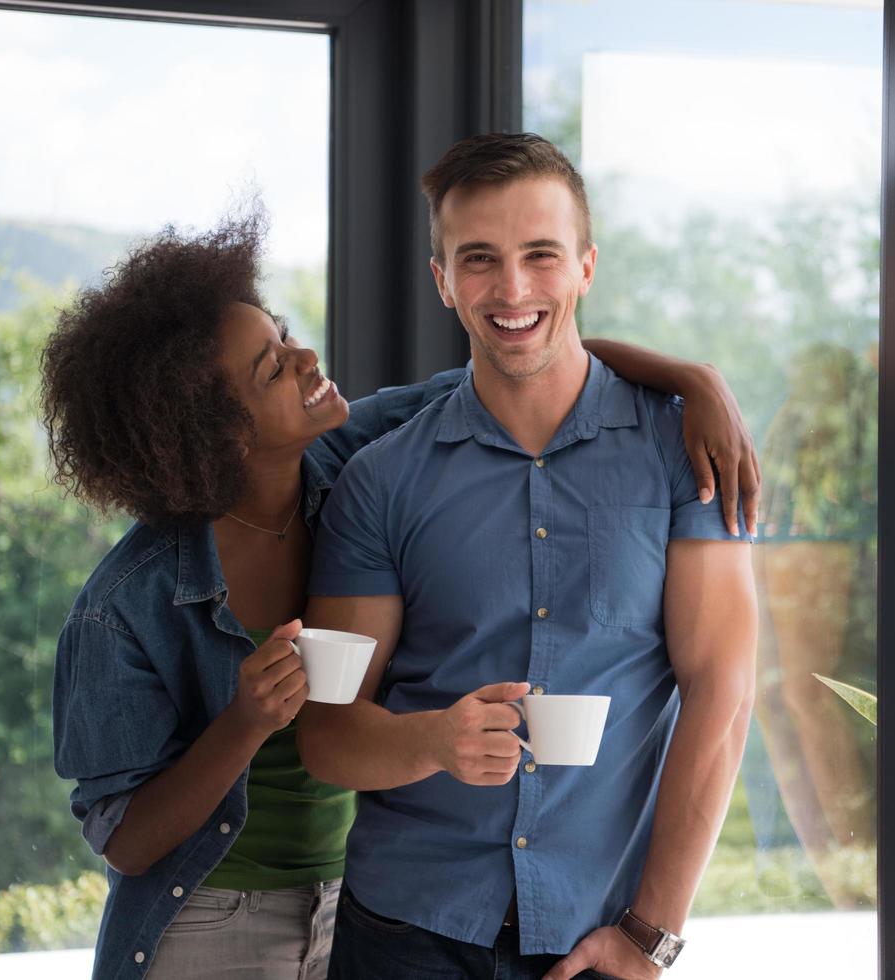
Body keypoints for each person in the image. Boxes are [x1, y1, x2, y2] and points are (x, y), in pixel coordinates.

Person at [41, 206, 760, 980]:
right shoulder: (125, 604)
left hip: (352, 902)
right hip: (215, 915)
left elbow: (524, 352)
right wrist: (244, 725)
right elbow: (127, 838)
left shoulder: (356, 458)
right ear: (212, 432)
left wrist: (695, 381)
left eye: (282, 338)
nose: (307, 356)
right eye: (272, 368)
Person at [298, 133, 759, 980]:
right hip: (406, 934)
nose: (511, 290)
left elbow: (722, 695)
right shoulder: (379, 483)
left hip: (601, 936)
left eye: (539, 255)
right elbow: (328, 734)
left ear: (585, 266)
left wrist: (650, 934)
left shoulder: (682, 451)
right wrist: (432, 742)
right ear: (441, 280)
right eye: (478, 259)